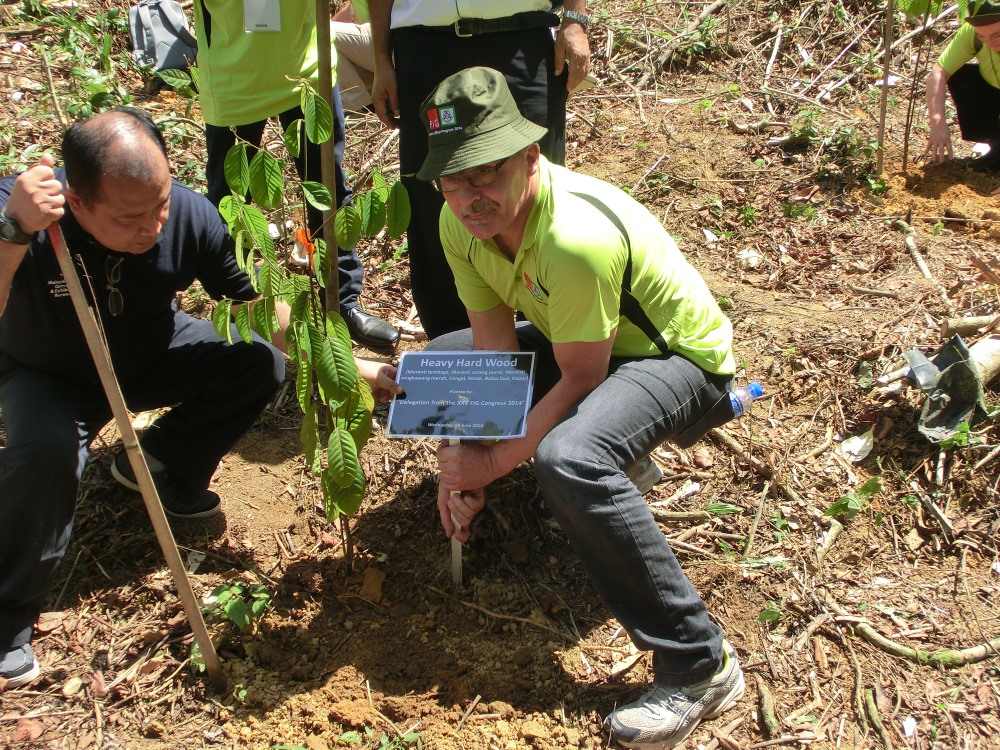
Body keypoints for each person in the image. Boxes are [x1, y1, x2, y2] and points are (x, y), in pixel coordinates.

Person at [0, 108, 399, 690]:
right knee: (46, 452)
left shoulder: (187, 214)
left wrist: (351, 366)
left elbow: (258, 308)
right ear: (78, 201)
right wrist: (15, 231)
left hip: (149, 352)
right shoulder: (24, 210)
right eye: (131, 218)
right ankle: (8, 615)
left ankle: (163, 463)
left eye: (160, 205)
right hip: (50, 374)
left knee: (258, 362)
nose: (153, 227)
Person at [417, 68, 745, 749]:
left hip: (678, 360)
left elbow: (580, 377)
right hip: (590, 342)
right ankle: (609, 467)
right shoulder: (460, 223)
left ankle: (699, 664)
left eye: (486, 173)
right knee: (446, 362)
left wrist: (496, 463)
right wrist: (466, 451)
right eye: (452, 179)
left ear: (530, 157)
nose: (470, 196)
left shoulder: (573, 238)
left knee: (568, 458)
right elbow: (492, 350)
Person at [370, 0, 590, 339]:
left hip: (521, 41)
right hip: (426, 48)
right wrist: (381, 59)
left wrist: (574, 20)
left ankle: (551, 344)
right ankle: (458, 349)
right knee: (438, 203)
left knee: (534, 195)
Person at [193, 1, 399, 351]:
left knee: (328, 190)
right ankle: (242, 306)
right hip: (232, 80)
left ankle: (341, 303)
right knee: (230, 204)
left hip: (309, 71)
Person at [925, 0, 1000, 172]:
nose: (989, 44)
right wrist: (937, 123)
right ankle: (996, 145)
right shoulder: (971, 33)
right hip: (992, 87)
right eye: (982, 37)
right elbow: (938, 73)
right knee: (961, 77)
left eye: (996, 36)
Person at [332, 1, 375, 112]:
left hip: (396, 42)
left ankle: (360, 108)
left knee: (323, 35)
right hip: (379, 43)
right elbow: (351, 9)